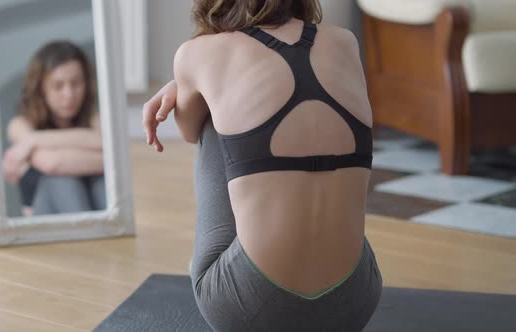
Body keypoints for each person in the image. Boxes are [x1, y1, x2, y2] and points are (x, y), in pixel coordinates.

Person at [143, 0, 382, 330]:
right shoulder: (344, 41)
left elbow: (188, 129)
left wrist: (184, 86)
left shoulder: (198, 54)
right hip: (355, 301)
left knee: (211, 121)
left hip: (250, 309)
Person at [2, 40, 106, 216]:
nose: (69, 94)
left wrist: (34, 140)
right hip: (47, 228)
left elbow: (108, 149)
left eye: (76, 83)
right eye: (58, 86)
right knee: (62, 181)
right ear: (41, 89)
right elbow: (51, 163)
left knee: (101, 184)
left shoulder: (94, 119)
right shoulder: (20, 125)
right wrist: (92, 151)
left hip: (92, 215)